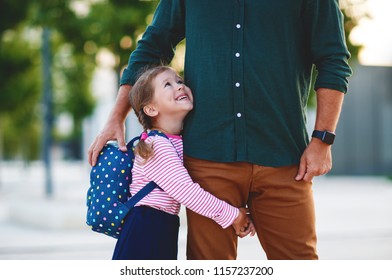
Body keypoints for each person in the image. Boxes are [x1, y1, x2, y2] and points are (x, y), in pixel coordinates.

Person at [88, 0, 352, 260]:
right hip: (208, 157)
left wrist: (323, 139)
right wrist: (116, 116)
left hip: (283, 157)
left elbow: (333, 60)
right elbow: (152, 46)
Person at [111, 65, 255, 260]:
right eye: (167, 84)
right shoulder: (156, 146)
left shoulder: (174, 140)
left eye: (179, 81)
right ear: (151, 109)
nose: (179, 86)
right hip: (145, 229)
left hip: (159, 226)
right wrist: (234, 215)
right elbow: (188, 192)